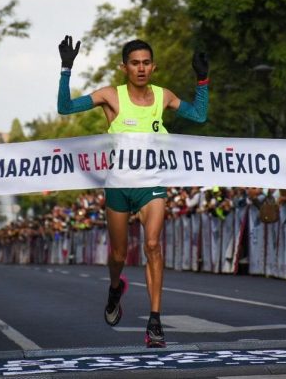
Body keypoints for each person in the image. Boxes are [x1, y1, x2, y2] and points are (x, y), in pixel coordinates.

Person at [57, 35, 209, 347]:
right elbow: (65, 108)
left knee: (153, 245)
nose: (141, 68)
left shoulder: (162, 96)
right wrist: (66, 69)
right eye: (134, 63)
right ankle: (115, 287)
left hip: (152, 185)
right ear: (124, 67)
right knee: (118, 254)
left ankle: (155, 321)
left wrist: (202, 80)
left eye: (146, 63)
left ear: (153, 67)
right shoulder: (110, 96)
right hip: (118, 187)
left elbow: (199, 115)